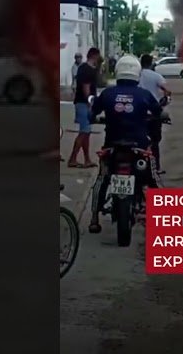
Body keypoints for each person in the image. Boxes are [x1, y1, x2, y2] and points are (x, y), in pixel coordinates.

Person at [87, 54, 162, 234]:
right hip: (138, 145)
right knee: (152, 177)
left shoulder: (107, 93)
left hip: (112, 145)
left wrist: (95, 117)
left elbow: (92, 113)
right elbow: (159, 111)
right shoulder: (144, 94)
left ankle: (94, 218)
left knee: (102, 178)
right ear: (137, 73)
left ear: (118, 71)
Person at [137, 54, 171, 174]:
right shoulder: (156, 76)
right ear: (151, 63)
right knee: (155, 141)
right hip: (153, 112)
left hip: (138, 112)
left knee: (137, 139)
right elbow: (167, 90)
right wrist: (164, 100)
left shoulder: (136, 75)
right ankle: (156, 167)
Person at [68, 48, 101, 169]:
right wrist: (90, 103)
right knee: (84, 131)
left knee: (86, 132)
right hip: (83, 103)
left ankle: (87, 159)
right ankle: (72, 159)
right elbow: (86, 87)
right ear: (95, 56)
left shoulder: (83, 68)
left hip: (81, 102)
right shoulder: (88, 70)